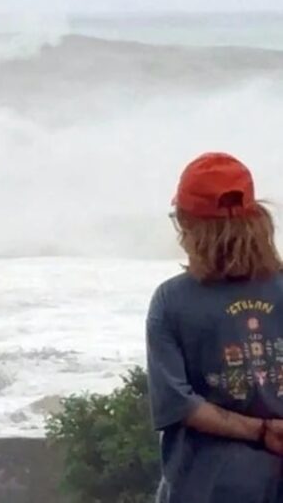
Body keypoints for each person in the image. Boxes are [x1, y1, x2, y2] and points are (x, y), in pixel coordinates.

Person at [147, 152, 283, 502]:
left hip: (206, 488)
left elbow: (178, 404)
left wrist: (259, 431)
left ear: (187, 225)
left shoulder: (171, 301)